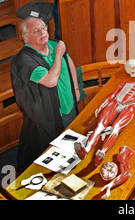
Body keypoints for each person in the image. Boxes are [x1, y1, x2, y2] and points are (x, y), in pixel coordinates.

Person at [11, 17, 81, 172]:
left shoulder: (55, 45)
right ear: (26, 37)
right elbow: (51, 81)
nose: (43, 32)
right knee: (53, 152)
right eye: (36, 30)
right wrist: (58, 55)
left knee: (71, 145)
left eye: (44, 27)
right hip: (50, 115)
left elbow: (69, 63)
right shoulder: (24, 59)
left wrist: (76, 89)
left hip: (69, 107)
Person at [74, 69, 135, 166]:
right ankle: (85, 150)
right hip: (115, 102)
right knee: (100, 126)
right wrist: (102, 106)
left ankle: (102, 153)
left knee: (116, 128)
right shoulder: (124, 83)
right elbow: (113, 94)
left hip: (130, 106)